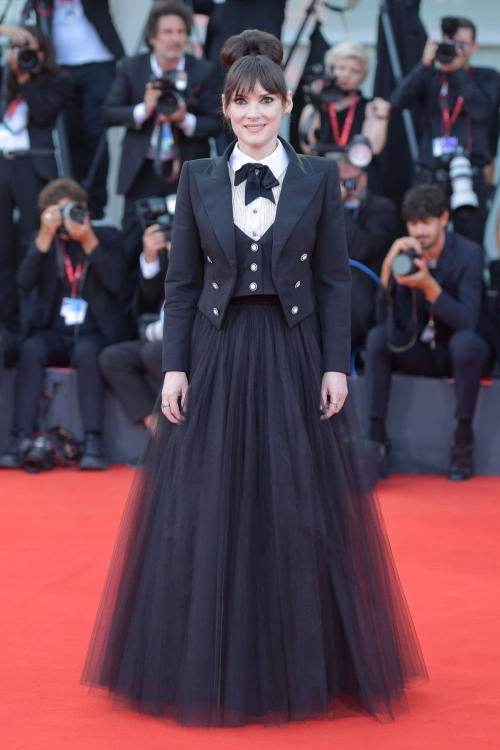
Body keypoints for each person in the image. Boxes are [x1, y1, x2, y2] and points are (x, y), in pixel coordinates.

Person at [81, 30, 428, 726]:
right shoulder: (198, 177)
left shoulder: (319, 177)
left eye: (266, 100)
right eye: (242, 102)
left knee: (298, 504)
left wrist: (337, 364)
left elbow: (334, 283)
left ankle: (305, 661)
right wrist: (174, 367)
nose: (253, 113)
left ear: (286, 104)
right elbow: (180, 285)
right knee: (210, 506)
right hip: (215, 353)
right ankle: (202, 659)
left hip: (294, 352)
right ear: (226, 106)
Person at [365, 185, 491, 482]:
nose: (419, 230)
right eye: (412, 223)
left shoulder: (468, 253)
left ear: (443, 218)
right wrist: (387, 270)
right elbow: (382, 319)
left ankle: (463, 440)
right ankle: (376, 438)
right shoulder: (405, 255)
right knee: (377, 339)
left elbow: (469, 321)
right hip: (422, 347)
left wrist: (429, 288)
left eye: (426, 222)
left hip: (462, 351)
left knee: (465, 343)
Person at [0, 179, 126, 471]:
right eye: (57, 213)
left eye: (73, 211)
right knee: (31, 348)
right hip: (52, 332)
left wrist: (88, 241)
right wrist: (43, 238)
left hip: (94, 332)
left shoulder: (107, 237)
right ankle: (19, 437)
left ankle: (94, 441)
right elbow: (23, 282)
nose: (66, 219)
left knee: (86, 351)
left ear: (87, 212)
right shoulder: (42, 239)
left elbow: (118, 283)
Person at [103, 0, 221, 236]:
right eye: (167, 32)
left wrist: (184, 118)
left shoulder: (203, 70)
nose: (175, 39)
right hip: (141, 169)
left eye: (180, 32)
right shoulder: (132, 67)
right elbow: (108, 113)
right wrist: (143, 110)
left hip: (186, 170)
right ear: (152, 37)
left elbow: (217, 122)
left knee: (187, 240)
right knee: (133, 237)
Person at [390, 16, 500, 245]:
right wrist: (424, 63)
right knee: (423, 240)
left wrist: (457, 70)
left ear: (474, 47)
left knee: (470, 242)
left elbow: (483, 112)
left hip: (470, 174)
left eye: (463, 43)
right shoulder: (430, 77)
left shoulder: (487, 76)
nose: (456, 49)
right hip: (431, 173)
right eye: (451, 43)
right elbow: (397, 101)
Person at [0, 24, 71, 353]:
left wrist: (26, 78)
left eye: (33, 49)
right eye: (21, 49)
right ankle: (6, 320)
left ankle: (28, 322)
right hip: (4, 164)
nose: (28, 56)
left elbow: (44, 115)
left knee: (32, 242)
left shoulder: (56, 80)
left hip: (33, 167)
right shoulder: (4, 78)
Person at [47, 0, 125, 219]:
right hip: (59, 66)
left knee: (95, 133)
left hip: (99, 64)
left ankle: (96, 205)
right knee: (69, 136)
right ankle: (71, 199)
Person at [99, 224, 168, 430]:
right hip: (160, 333)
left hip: (194, 338)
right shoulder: (168, 257)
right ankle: (159, 431)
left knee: (154, 351)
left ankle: (190, 429)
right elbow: (146, 302)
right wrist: (151, 258)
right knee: (112, 358)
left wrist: (190, 258)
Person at [299, 40, 391, 193]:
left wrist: (381, 116)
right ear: (331, 70)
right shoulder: (314, 107)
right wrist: (317, 100)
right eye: (341, 68)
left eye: (354, 71)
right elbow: (309, 147)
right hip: (323, 180)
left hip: (359, 180)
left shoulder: (370, 107)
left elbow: (374, 147)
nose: (346, 75)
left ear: (363, 76)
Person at [338, 155, 398, 350]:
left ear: (364, 178)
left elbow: (361, 248)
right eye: (339, 183)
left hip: (365, 292)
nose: (347, 188)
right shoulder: (318, 208)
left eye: (351, 182)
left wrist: (336, 206)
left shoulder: (383, 208)